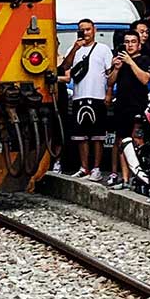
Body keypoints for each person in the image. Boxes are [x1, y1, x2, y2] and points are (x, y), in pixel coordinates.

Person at [58, 18, 112, 179]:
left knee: (97, 135)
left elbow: (110, 74)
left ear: (94, 30)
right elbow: (65, 67)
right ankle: (84, 167)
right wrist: (75, 48)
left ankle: (96, 168)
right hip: (78, 96)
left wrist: (109, 94)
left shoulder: (103, 49)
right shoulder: (74, 49)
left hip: (97, 96)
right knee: (81, 136)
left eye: (88, 29)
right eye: (82, 30)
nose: (85, 33)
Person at [107, 31, 150, 186]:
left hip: (138, 106)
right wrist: (117, 67)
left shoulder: (144, 59)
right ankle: (125, 179)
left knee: (137, 141)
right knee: (122, 142)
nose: (130, 45)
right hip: (121, 106)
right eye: (127, 42)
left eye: (133, 42)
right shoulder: (120, 61)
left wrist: (131, 62)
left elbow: (145, 79)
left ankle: (140, 177)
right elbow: (110, 82)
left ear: (139, 44)